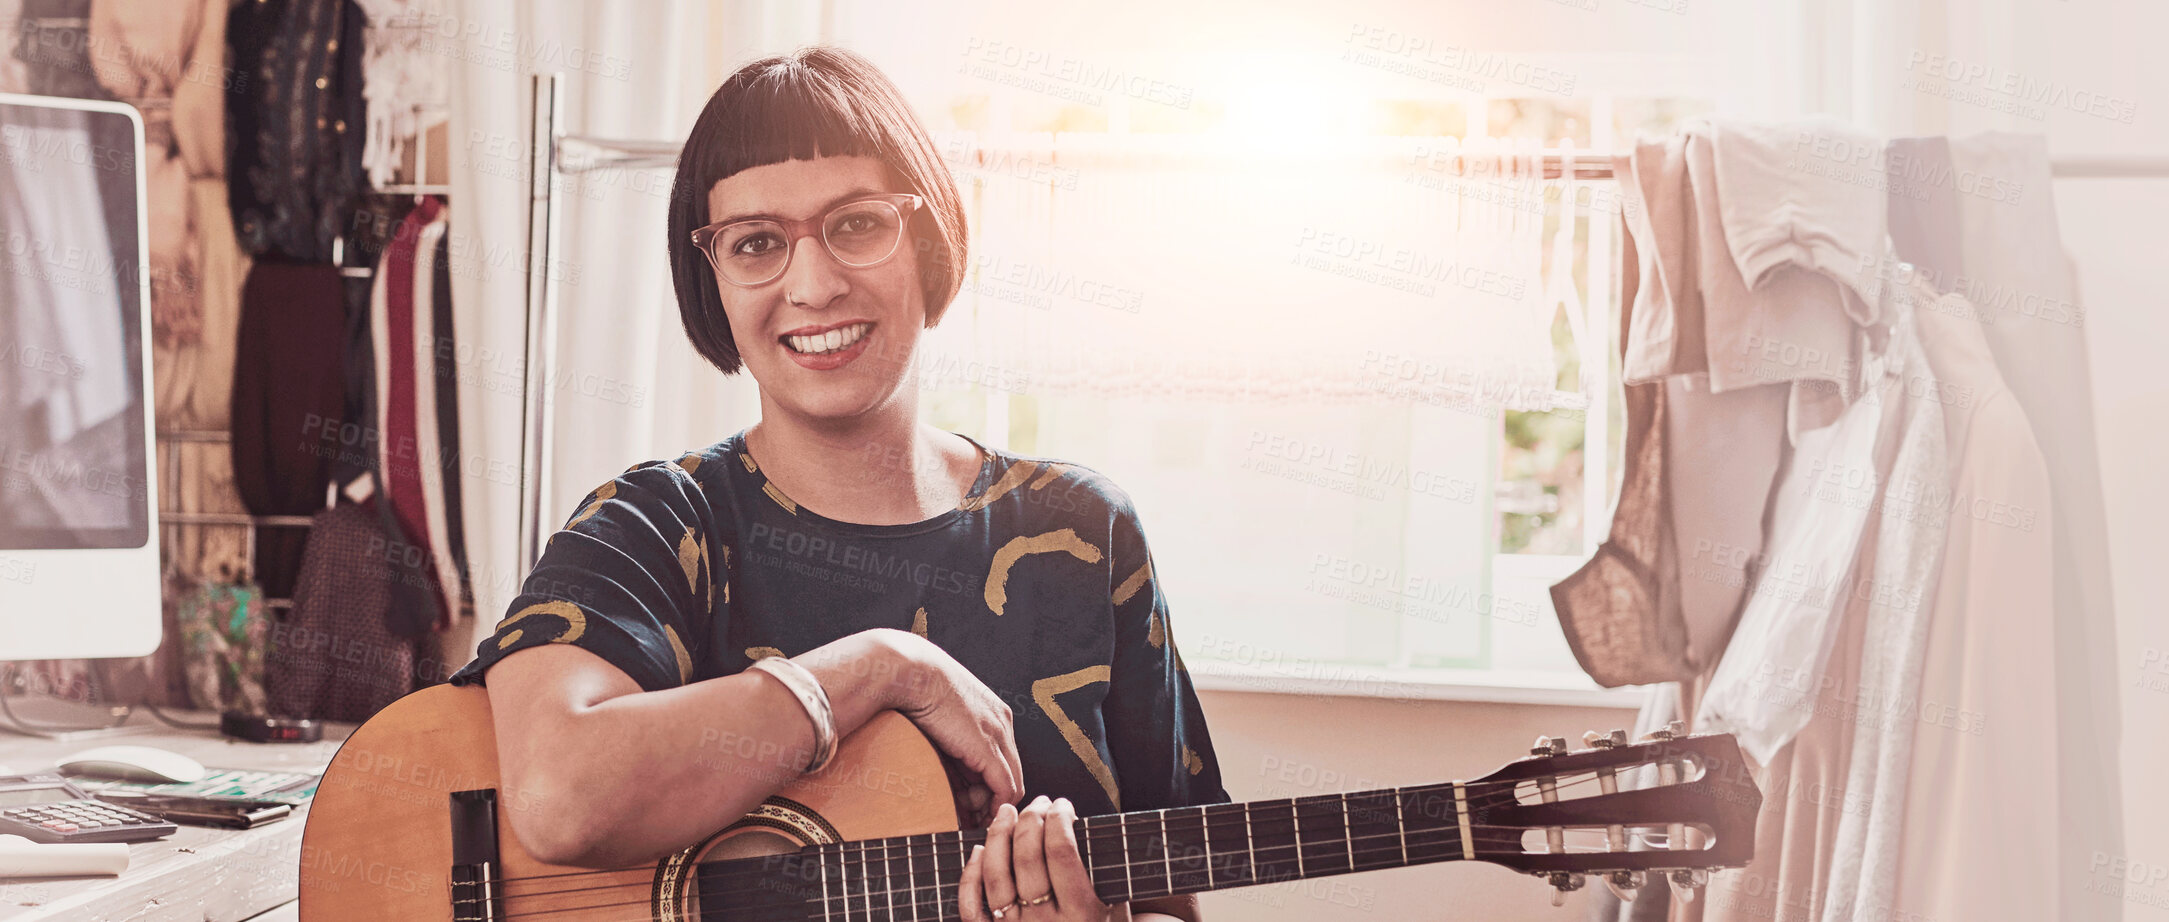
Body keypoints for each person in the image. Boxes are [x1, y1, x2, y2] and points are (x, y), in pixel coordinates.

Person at [446, 45, 1226, 922]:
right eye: (756, 243)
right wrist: (883, 667)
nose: (812, 285)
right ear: (712, 283)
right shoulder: (658, 523)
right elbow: (558, 796)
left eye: (856, 224)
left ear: (928, 238)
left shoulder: (1083, 532)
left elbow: (1173, 891)